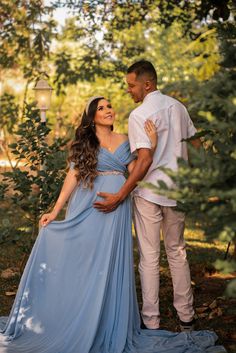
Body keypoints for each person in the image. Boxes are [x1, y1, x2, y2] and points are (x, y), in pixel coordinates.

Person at [0, 96, 224, 353]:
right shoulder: (85, 143)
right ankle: (78, 314)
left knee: (110, 263)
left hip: (118, 210)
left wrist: (151, 145)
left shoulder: (126, 140)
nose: (108, 110)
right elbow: (72, 177)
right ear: (92, 116)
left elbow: (136, 172)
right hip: (89, 206)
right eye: (101, 108)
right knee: (85, 260)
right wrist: (55, 211)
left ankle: (106, 318)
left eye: (109, 106)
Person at [94, 60, 201, 332]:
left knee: (150, 257)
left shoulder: (139, 115)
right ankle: (186, 316)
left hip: (149, 193)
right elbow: (198, 147)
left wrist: (119, 195)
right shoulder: (179, 108)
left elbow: (142, 162)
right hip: (177, 190)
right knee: (177, 252)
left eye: (131, 85)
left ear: (147, 84)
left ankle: (151, 320)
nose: (129, 90)